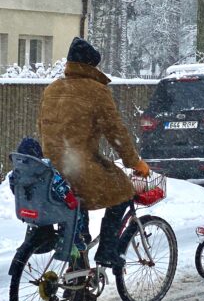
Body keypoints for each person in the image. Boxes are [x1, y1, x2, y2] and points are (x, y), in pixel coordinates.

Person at [37, 37, 149, 272]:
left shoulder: (52, 89)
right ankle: (108, 250)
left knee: (79, 205)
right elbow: (115, 131)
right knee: (124, 190)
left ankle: (78, 269)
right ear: (90, 66)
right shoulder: (96, 91)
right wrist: (134, 161)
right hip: (79, 164)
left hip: (52, 169)